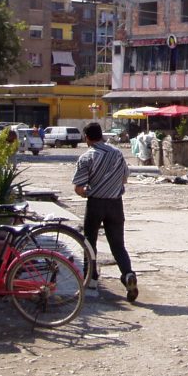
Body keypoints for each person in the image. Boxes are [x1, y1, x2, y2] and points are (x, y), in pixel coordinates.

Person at [72, 122, 138, 301]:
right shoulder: (117, 153)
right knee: (118, 245)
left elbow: (78, 187)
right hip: (116, 204)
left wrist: (88, 191)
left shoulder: (87, 157)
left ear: (87, 137)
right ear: (101, 135)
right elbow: (125, 178)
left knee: (90, 242)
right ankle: (127, 274)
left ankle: (91, 278)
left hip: (95, 204)